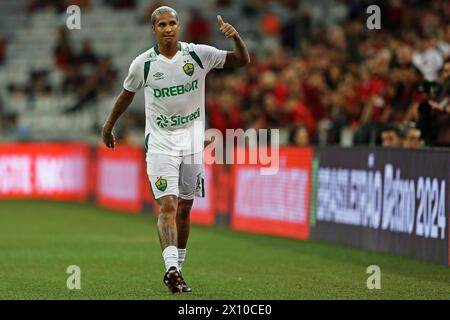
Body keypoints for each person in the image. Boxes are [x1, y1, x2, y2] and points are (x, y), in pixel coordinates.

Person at [101, 6, 250, 293]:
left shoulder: (197, 54)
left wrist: (236, 37)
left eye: (172, 23)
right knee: (167, 205)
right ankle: (170, 267)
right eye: (162, 25)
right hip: (160, 144)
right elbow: (125, 96)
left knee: (185, 208)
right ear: (153, 29)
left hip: (192, 144)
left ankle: (177, 271)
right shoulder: (142, 65)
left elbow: (241, 61)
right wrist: (108, 127)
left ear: (178, 26)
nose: (168, 29)